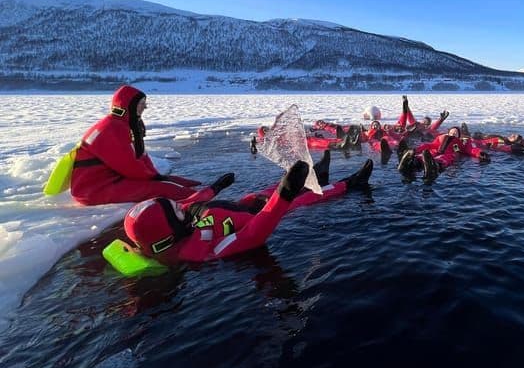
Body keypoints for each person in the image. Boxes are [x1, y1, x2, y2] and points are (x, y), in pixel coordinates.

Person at [124, 158, 373, 263]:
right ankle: (350, 183)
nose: (181, 208)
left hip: (245, 203)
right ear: (168, 235)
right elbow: (251, 236)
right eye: (175, 211)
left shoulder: (182, 219)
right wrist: (283, 197)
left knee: (264, 191)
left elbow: (195, 199)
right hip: (261, 216)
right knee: (302, 200)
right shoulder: (199, 251)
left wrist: (216, 187)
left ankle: (316, 174)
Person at [70, 85, 230, 205]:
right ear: (128, 105)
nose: (145, 107)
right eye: (141, 104)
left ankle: (200, 192)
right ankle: (202, 202)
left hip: (110, 180)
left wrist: (161, 176)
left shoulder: (125, 125)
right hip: (94, 190)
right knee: (161, 189)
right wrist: (156, 179)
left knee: (173, 181)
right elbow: (129, 166)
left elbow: (141, 156)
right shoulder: (110, 129)